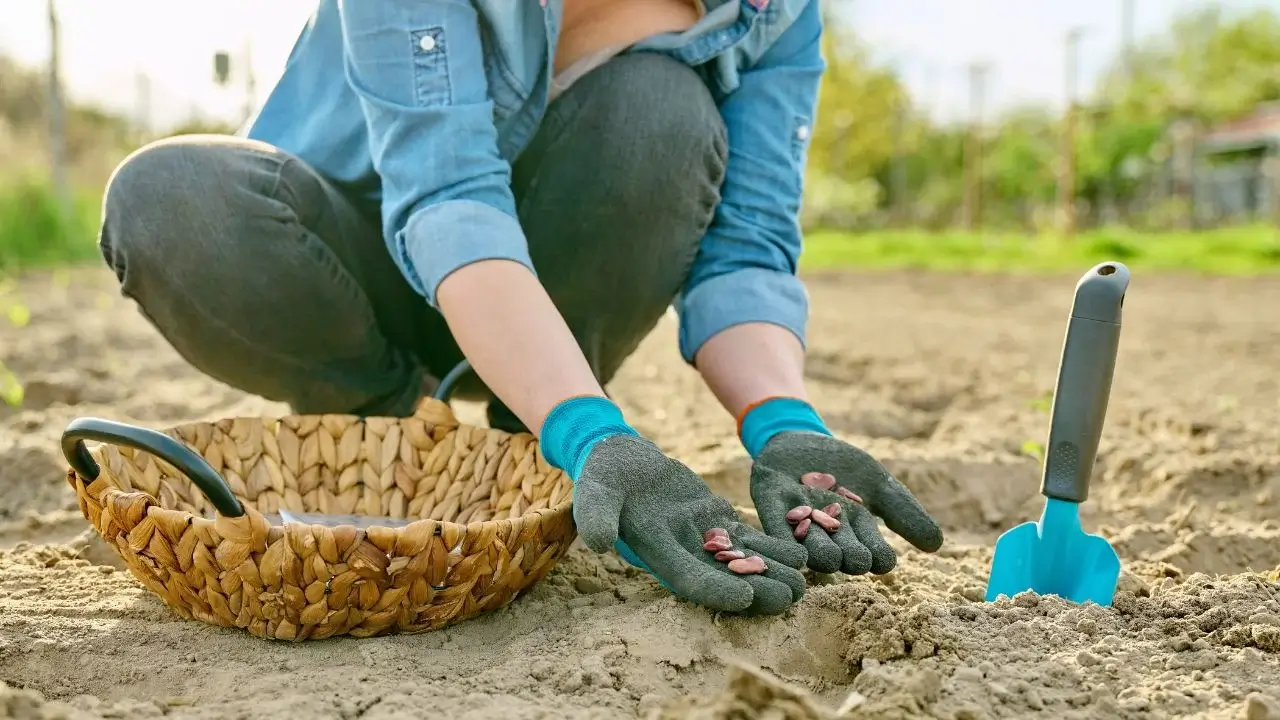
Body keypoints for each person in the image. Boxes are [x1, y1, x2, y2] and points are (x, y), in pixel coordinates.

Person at [97, 0, 943, 616]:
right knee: (168, 199)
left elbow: (747, 249)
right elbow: (447, 193)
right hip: (350, 263)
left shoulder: (776, 10)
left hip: (553, 304)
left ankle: (527, 432)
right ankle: (382, 413)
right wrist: (596, 431)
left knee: (660, 110)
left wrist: (782, 424)